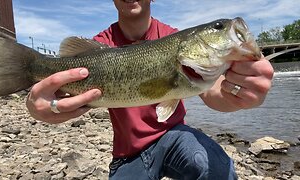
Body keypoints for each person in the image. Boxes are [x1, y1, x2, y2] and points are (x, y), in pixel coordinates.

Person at [26, 0, 274, 179]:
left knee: (219, 170)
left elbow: (214, 92)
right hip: (128, 152)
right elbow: (56, 89)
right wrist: (38, 104)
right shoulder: (100, 46)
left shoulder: (172, 37)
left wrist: (239, 94)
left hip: (175, 137)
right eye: (219, 27)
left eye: (219, 27)